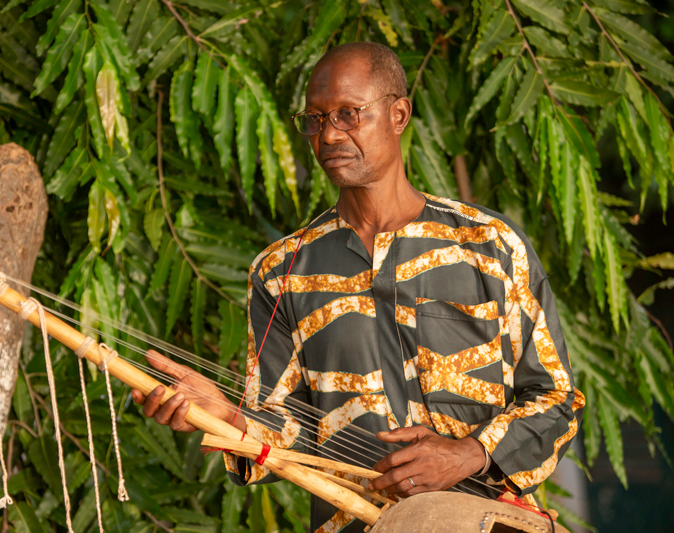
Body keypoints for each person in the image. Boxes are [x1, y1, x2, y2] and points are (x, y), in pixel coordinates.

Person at [132, 42, 585, 533]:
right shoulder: (282, 270)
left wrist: (468, 455)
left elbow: (554, 399)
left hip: (488, 524)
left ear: (398, 114)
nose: (328, 135)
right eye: (315, 120)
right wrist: (228, 421)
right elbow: (293, 430)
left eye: (348, 114)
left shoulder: (488, 245)